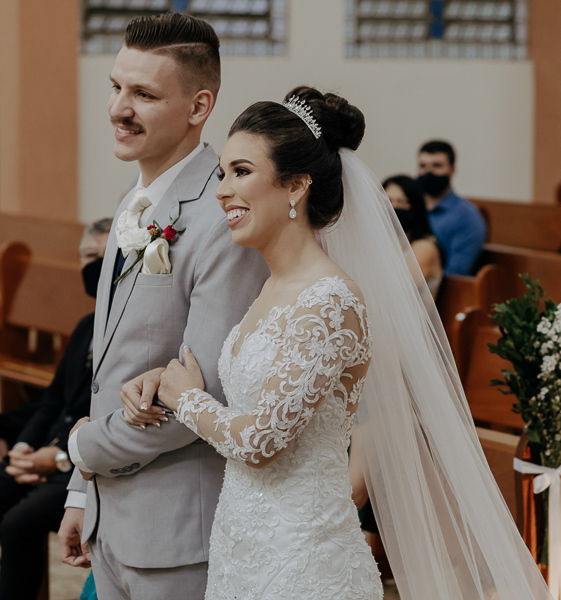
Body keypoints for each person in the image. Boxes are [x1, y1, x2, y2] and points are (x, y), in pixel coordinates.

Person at [121, 86, 552, 599]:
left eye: (241, 172)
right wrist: (164, 380)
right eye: (223, 174)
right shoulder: (270, 287)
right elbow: (253, 396)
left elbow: (260, 441)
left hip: (303, 563)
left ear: (295, 187)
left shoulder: (330, 301)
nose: (222, 191)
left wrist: (184, 397)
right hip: (242, 547)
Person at [57, 14, 268, 600]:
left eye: (143, 94)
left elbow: (203, 397)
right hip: (111, 520)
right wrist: (82, 490)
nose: (118, 108)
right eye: (116, 86)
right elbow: (115, 365)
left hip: (177, 534)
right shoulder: (138, 198)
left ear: (199, 107)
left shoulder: (224, 220)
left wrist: (79, 448)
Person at [0, 219, 109, 600]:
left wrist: (60, 458)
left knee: (18, 524)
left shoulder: (129, 330)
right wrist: (23, 449)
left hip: (86, 464)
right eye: (87, 256)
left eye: (105, 255)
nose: (93, 265)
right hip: (48, 451)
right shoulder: (85, 325)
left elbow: (104, 414)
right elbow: (52, 402)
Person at [416, 140, 486, 276]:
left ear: (452, 170)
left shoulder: (467, 216)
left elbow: (456, 274)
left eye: (437, 166)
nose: (428, 172)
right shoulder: (411, 207)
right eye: (423, 166)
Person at [383, 174, 444, 297]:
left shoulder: (424, 247)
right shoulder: (382, 242)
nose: (393, 208)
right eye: (388, 201)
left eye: (401, 202)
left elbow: (398, 293)